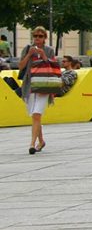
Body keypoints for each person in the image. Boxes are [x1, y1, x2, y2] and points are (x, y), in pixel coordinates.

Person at [18, 27, 56, 155]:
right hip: (30, 85)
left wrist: (44, 56)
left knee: (36, 114)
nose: (37, 39)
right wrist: (29, 54)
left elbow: (54, 67)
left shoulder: (49, 50)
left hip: (44, 85)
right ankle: (41, 141)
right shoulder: (28, 49)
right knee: (35, 116)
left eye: (40, 36)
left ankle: (32, 144)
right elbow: (21, 66)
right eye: (35, 36)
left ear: (45, 38)